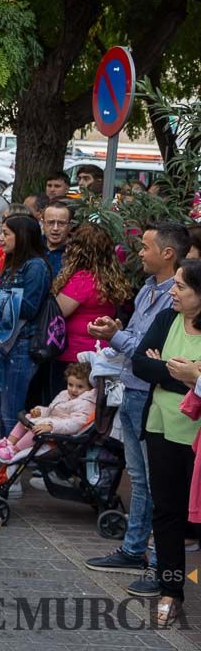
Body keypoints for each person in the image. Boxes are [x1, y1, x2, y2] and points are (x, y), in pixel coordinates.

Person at [85, 223, 188, 575]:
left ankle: (160, 562)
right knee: (140, 478)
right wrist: (115, 333)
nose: (139, 253)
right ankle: (133, 549)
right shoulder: (146, 289)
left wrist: (120, 339)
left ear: (168, 253)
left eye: (146, 247)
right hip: (130, 387)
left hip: (153, 398)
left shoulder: (176, 299)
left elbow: (147, 354)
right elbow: (138, 344)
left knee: (159, 483)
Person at [129, 260, 201, 622]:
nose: (172, 292)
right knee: (167, 510)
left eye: (181, 287)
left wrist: (174, 371)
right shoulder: (167, 319)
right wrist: (186, 374)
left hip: (196, 437)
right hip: (160, 426)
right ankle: (171, 588)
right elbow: (141, 364)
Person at [48, 222, 132, 399]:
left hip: (75, 355)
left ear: (80, 249)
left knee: (67, 407)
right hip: (99, 351)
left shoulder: (84, 279)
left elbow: (58, 311)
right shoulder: (107, 277)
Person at [0, 215, 52, 439]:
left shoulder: (36, 266)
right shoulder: (12, 261)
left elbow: (29, 308)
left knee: (10, 410)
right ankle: (7, 462)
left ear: (22, 236)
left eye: (6, 233)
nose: (0, 238)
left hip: (23, 344)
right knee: (2, 405)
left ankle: (10, 466)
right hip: (5, 341)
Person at [0, 362, 96, 462]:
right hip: (52, 422)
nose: (73, 390)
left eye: (80, 387)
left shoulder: (86, 404)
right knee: (27, 417)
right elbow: (51, 410)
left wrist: (52, 427)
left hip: (61, 433)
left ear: (90, 388)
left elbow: (75, 424)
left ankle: (14, 450)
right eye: (70, 385)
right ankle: (8, 443)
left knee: (36, 428)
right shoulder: (64, 394)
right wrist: (40, 412)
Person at [41, 201, 72, 276]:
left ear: (70, 226)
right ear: (43, 224)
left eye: (61, 223)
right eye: (50, 223)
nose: (55, 228)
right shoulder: (33, 246)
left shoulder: (76, 252)